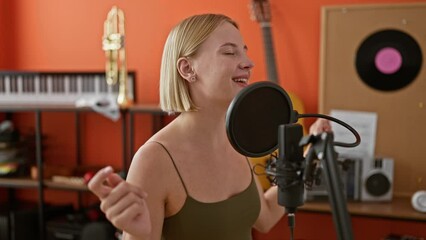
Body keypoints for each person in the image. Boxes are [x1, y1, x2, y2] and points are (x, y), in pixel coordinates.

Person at [88, 13, 331, 240]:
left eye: (244, 52)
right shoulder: (154, 159)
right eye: (229, 53)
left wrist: (310, 156)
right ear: (187, 69)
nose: (248, 62)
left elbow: (265, 215)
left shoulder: (235, 139)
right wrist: (138, 234)